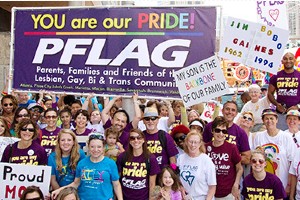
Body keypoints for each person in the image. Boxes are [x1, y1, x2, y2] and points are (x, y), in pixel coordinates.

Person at [51, 134, 123, 200]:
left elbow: (116, 185)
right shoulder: (82, 163)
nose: (95, 150)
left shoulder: (110, 163)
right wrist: (59, 190)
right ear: (88, 147)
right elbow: (76, 183)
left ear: (103, 147)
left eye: (99, 147)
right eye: (92, 147)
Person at [253, 108, 295, 195]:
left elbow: (292, 162)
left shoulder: (286, 137)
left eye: (272, 118)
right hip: (264, 184)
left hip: (282, 182)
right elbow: (255, 160)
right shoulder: (258, 136)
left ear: (277, 120)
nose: (269, 121)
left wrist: (289, 185)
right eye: (266, 118)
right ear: (263, 121)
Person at [117, 128, 160, 200]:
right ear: (129, 141)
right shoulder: (122, 157)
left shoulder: (151, 158)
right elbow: (117, 181)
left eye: (139, 138)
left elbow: (152, 184)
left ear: (143, 140)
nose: (136, 140)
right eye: (132, 138)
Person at [205, 116, 243, 199]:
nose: (221, 134)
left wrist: (236, 185)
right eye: (218, 130)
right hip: (208, 193)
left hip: (228, 193)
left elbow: (239, 169)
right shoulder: (205, 148)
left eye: (224, 131)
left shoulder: (232, 148)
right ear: (212, 131)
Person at [203, 100, 251, 165]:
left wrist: (229, 157)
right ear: (222, 111)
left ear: (236, 113)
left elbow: (247, 158)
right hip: (209, 170)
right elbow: (201, 148)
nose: (230, 112)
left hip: (230, 173)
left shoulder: (241, 132)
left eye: (233, 110)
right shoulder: (210, 126)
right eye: (227, 109)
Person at [177, 130, 216, 199]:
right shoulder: (181, 158)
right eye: (190, 142)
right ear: (186, 142)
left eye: (196, 142)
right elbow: (178, 177)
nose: (193, 145)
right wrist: (180, 187)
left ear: (200, 143)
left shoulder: (206, 160)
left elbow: (212, 187)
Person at [268, 52, 300, 130]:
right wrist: (277, 104)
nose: (288, 61)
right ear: (282, 61)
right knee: (281, 137)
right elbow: (270, 93)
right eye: (285, 59)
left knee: (297, 138)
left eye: (290, 58)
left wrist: (298, 106)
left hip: (297, 114)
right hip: (281, 114)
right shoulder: (275, 76)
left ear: (294, 60)